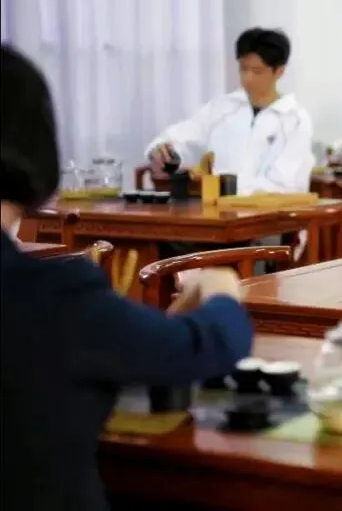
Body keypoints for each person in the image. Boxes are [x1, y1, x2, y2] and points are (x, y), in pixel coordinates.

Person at [0, 45, 253, 511]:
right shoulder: (53, 296)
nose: (248, 75)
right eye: (244, 66)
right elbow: (205, 345)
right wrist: (221, 291)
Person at [146, 28, 314, 194]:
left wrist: (220, 183)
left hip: (267, 210)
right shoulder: (222, 107)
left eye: (257, 71)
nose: (247, 78)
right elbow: (185, 135)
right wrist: (164, 151)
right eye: (243, 68)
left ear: (279, 71)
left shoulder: (294, 120)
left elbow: (287, 186)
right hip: (212, 206)